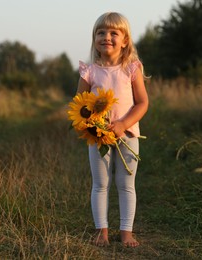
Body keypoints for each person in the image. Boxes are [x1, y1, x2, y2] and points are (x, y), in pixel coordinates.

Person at [76, 12, 149, 248]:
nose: (106, 37)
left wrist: (122, 124)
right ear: (94, 38)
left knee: (126, 183)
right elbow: (80, 106)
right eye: (101, 32)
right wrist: (92, 126)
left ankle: (126, 232)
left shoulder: (131, 68)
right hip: (97, 138)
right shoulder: (89, 72)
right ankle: (101, 232)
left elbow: (142, 103)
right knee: (100, 183)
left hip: (128, 135)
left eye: (113, 33)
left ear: (125, 40)